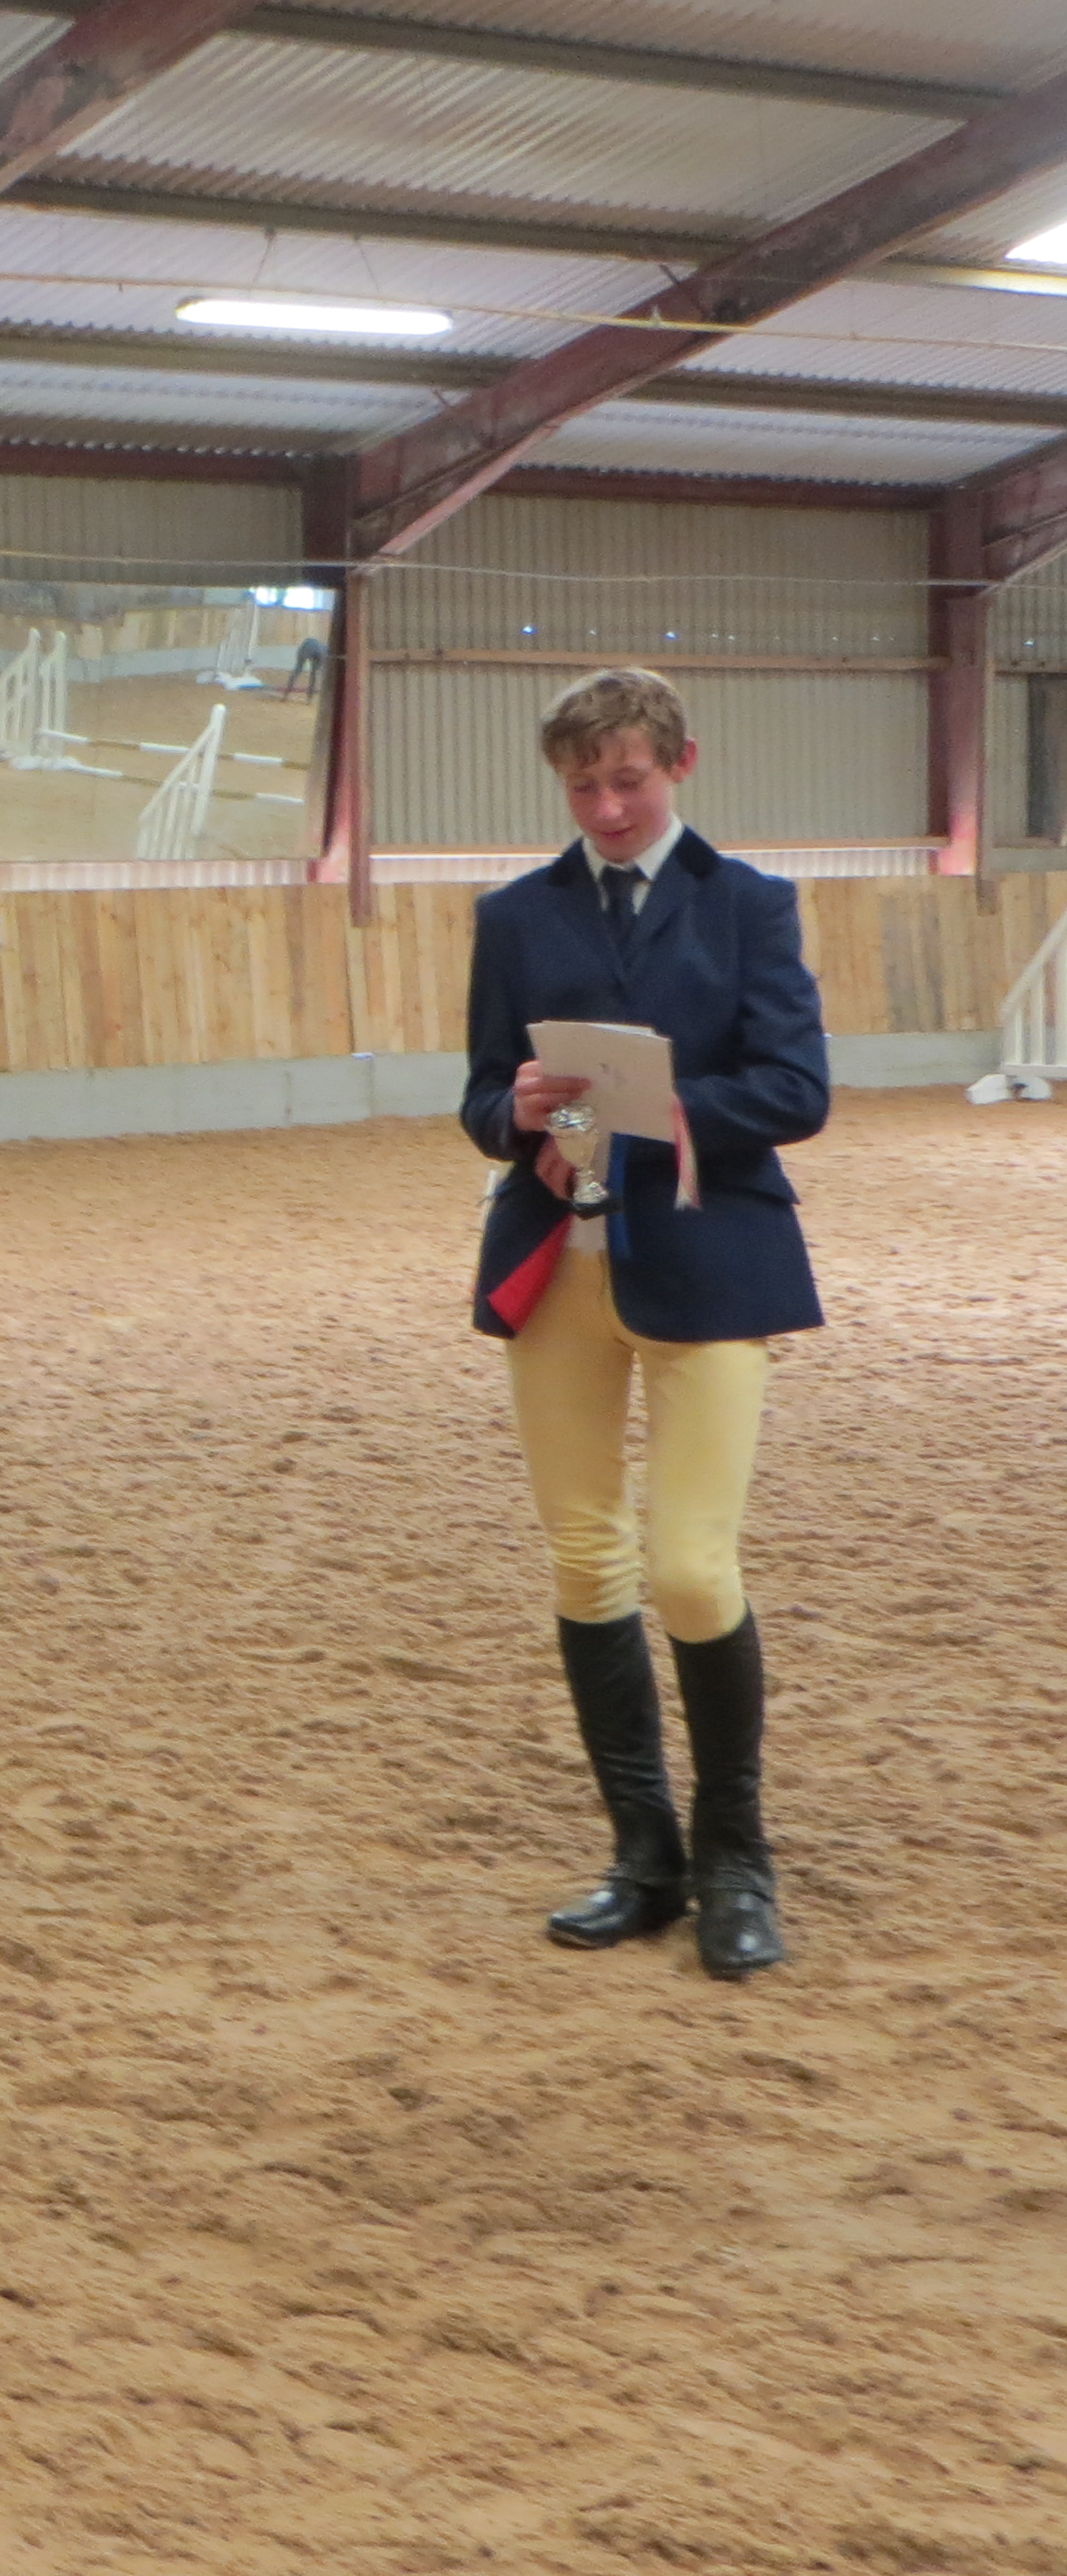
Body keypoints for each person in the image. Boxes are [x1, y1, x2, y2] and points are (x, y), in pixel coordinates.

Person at [463, 668, 826, 1983]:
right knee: (584, 1558)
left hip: (710, 1263)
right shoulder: (515, 915)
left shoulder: (749, 905)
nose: (607, 808)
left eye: (627, 781)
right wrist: (518, 1112)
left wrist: (660, 1112)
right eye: (583, 787)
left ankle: (737, 1858)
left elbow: (795, 1089)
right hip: (558, 1265)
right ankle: (645, 1854)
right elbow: (480, 1097)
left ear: (680, 763)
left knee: (689, 1567)